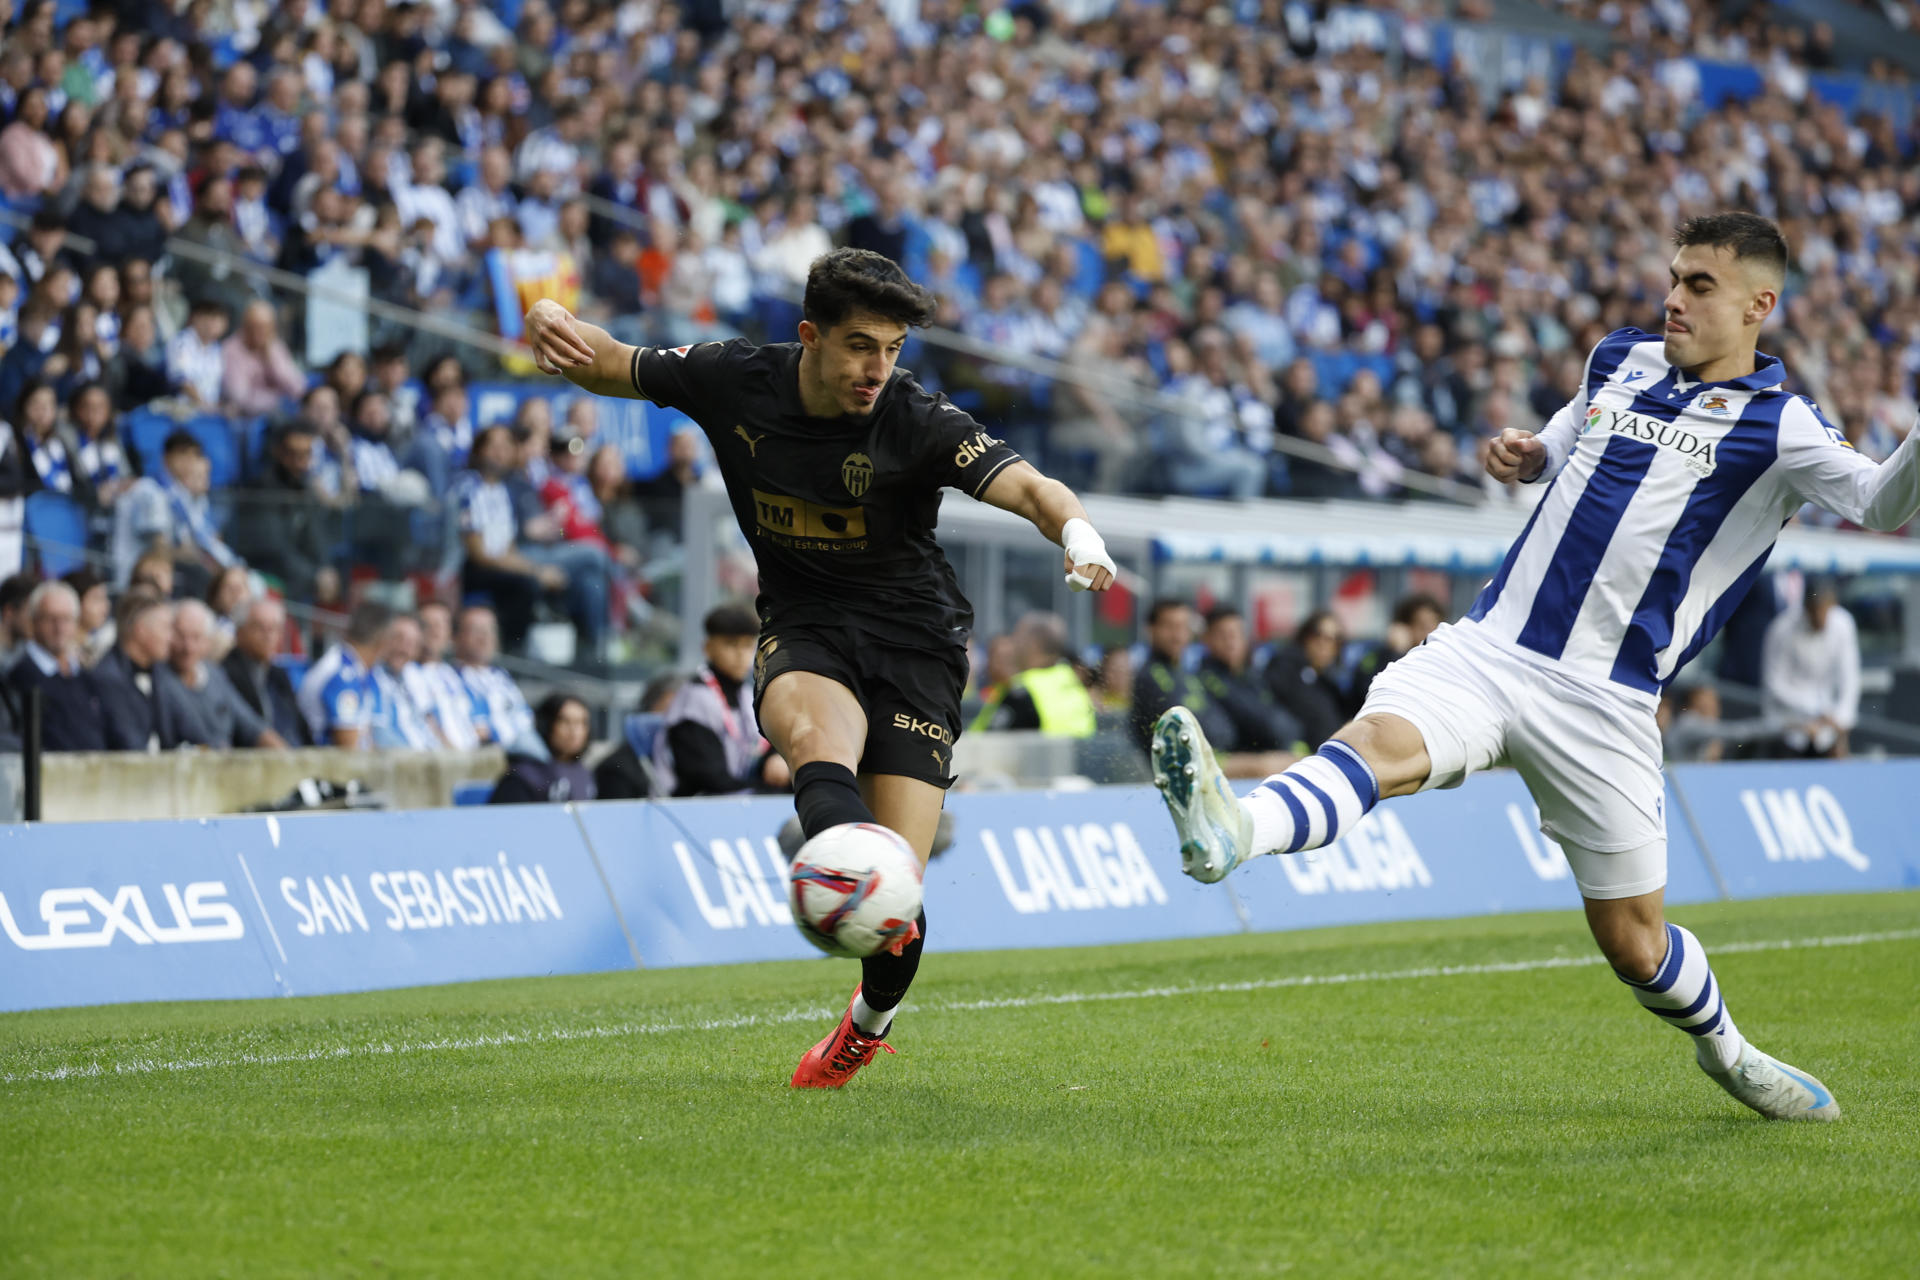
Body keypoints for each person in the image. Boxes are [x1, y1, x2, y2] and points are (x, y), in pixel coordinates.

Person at [1153, 213, 1920, 1124]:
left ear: (1761, 304)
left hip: (1607, 702)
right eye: (1674, 277)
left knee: (1635, 945)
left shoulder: (1784, 426)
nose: (1674, 298)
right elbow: (1566, 438)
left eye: (1700, 286)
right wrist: (1530, 453)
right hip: (1491, 647)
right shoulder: (1618, 358)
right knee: (1374, 744)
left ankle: (1732, 1054)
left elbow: (1879, 505)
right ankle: (1234, 831)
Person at [526, 246, 1116, 1088]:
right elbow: (609, 363)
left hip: (917, 642)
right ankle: (832, 848)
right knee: (808, 732)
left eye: (893, 349)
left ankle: (867, 1024)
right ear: (810, 336)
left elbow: (1026, 487)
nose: (878, 368)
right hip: (807, 623)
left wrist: (1077, 532)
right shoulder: (734, 378)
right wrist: (554, 319)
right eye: (860, 346)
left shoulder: (915, 417)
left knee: (896, 900)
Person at [449, 424, 568, 653]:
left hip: (497, 567)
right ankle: (511, 654)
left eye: (506, 446)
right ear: (479, 450)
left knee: (556, 581)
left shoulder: (503, 491)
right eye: (493, 446)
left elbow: (509, 548)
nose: (500, 452)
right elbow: (480, 554)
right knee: (526, 586)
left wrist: (536, 569)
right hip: (467, 570)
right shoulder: (468, 489)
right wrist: (535, 571)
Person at [655, 603, 790, 796]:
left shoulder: (745, 695)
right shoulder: (694, 700)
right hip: (692, 804)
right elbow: (706, 777)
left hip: (735, 797)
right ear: (708, 648)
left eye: (747, 645)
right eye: (731, 644)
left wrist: (775, 758)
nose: (740, 655)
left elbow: (760, 746)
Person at [109, 430, 245, 594]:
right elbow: (159, 550)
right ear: (166, 458)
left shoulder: (184, 497)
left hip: (172, 575)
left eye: (193, 455)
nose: (188, 462)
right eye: (182, 454)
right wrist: (195, 555)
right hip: (134, 579)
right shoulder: (150, 490)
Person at [228, 421, 342, 606]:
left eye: (306, 455)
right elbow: (273, 548)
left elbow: (316, 536)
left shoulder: (304, 488)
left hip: (299, 573)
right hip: (264, 571)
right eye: (294, 454)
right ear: (279, 452)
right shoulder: (261, 489)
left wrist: (325, 569)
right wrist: (313, 576)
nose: (301, 463)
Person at [164, 599, 286, 749]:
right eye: (181, 636)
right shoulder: (159, 679)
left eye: (196, 637)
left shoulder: (215, 676)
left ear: (207, 642)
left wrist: (292, 761)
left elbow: (252, 726)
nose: (188, 647)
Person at [1760, 577, 1860, 758]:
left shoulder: (1844, 625)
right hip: (1787, 726)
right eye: (1815, 611)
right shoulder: (1781, 629)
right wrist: (1816, 711)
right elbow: (1775, 684)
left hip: (1827, 728)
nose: (1820, 618)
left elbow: (1850, 678)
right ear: (1806, 608)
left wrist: (1841, 719)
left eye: (1824, 610)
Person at [3, 580, 107, 750]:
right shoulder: (16, 676)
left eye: (66, 619)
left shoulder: (87, 677)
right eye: (50, 619)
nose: (59, 628)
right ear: (33, 622)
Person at [92, 593, 201, 751]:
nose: (171, 638)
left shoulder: (161, 673)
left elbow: (193, 730)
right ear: (141, 630)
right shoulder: (107, 678)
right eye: (166, 628)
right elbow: (129, 746)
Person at [1196, 605, 1302, 758]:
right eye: (1222, 635)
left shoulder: (1253, 675)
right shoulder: (1205, 679)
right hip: (1242, 763)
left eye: (1236, 634)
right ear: (1206, 639)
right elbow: (1262, 723)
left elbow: (1278, 717)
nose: (1230, 642)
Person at [972, 611, 1097, 737]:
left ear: (1033, 644)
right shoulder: (1071, 681)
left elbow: (989, 742)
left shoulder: (1021, 692)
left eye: (1017, 638)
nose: (1013, 645)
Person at [297, 600, 392, 749]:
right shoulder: (342, 675)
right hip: (325, 767)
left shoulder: (360, 669)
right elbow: (348, 747)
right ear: (383, 641)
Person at [222, 593, 311, 746]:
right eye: (260, 628)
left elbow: (301, 728)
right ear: (239, 632)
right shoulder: (225, 673)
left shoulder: (278, 674)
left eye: (275, 628)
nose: (269, 636)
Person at [1262, 610, 1350, 751]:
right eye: (1317, 635)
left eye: (1334, 639)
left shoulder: (1328, 685)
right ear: (1305, 636)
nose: (1324, 644)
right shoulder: (1285, 667)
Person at [451, 603, 536, 751]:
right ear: (457, 637)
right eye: (476, 631)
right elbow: (475, 729)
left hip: (518, 750)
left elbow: (526, 718)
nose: (484, 638)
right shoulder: (451, 678)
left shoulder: (501, 676)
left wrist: (498, 729)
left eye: (490, 630)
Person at [1346, 593, 1446, 712]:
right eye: (1423, 626)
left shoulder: (1442, 665)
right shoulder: (1379, 656)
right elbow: (1366, 691)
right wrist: (1396, 652)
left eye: (1434, 626)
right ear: (1404, 627)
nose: (1430, 634)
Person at [489, 692, 595, 804]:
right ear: (547, 725)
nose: (575, 732)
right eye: (565, 722)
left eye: (581, 723)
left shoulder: (583, 772)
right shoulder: (523, 776)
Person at [404, 600, 482, 750]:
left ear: (450, 633)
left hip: (471, 759)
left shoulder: (454, 674)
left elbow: (475, 721)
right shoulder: (408, 673)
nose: (435, 631)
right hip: (446, 761)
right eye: (428, 625)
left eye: (441, 624)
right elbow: (427, 723)